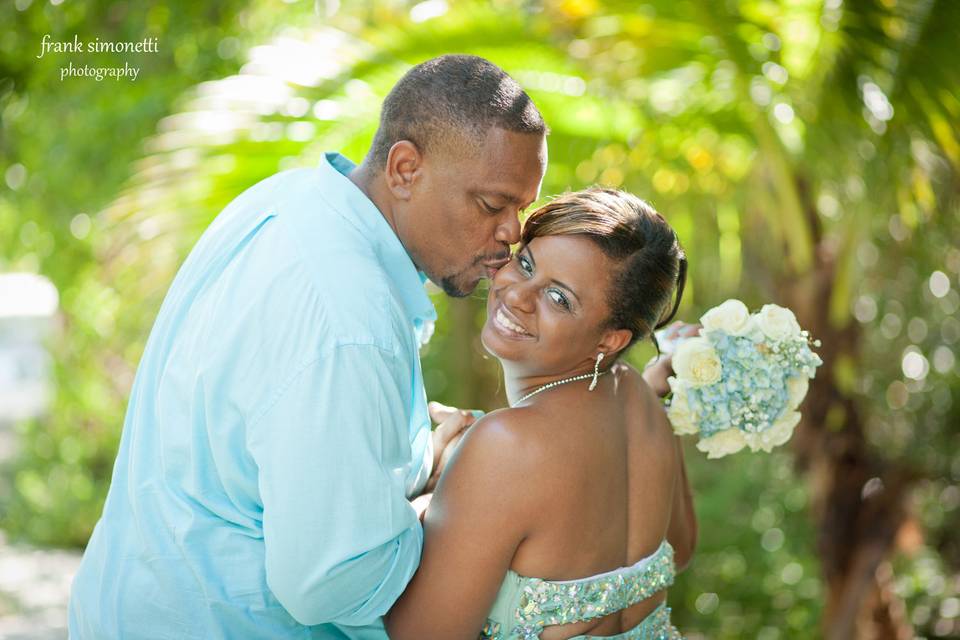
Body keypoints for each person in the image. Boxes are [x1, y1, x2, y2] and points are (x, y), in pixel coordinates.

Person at [68, 54, 548, 639]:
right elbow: (330, 580)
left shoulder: (287, 200)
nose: (510, 233)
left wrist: (421, 456)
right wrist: (442, 502)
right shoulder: (346, 316)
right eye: (492, 205)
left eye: (520, 208)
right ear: (404, 169)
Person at [386, 188, 697, 639]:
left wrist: (424, 500)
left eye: (559, 298)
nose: (518, 296)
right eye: (527, 264)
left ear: (610, 340)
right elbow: (679, 550)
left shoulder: (507, 445)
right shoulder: (642, 399)